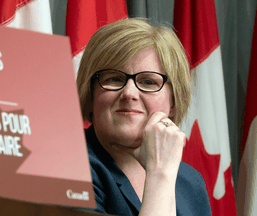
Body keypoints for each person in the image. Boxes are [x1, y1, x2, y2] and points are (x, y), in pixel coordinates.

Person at [76, 18, 212, 216]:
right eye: (114, 79)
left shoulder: (190, 182)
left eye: (148, 82)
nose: (129, 93)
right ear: (91, 93)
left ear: (173, 102)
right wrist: (159, 177)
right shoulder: (69, 170)